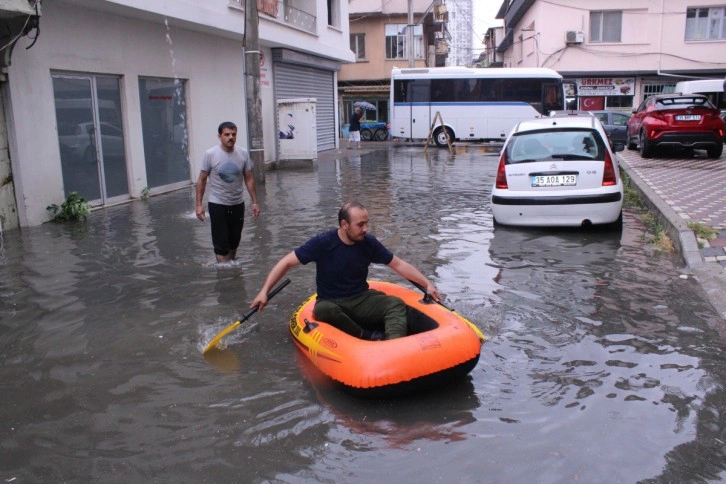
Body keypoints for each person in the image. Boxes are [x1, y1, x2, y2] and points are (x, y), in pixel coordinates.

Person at [250, 201, 442, 340]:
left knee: (395, 304)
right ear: (344, 225)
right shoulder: (323, 243)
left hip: (360, 298)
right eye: (360, 224)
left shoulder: (368, 243)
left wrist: (427, 284)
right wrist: (263, 292)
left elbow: (398, 264)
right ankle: (366, 336)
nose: (366, 229)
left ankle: (395, 344)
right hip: (332, 301)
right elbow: (286, 263)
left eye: (367, 223)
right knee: (324, 310)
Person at [196, 121, 260, 263]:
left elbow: (249, 178)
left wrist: (255, 202)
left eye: (233, 134)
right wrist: (199, 204)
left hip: (237, 203)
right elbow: (201, 179)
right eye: (227, 134)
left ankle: (232, 275)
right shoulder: (210, 154)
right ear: (220, 136)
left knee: (234, 242)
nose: (230, 137)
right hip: (217, 203)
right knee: (221, 245)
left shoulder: (243, 154)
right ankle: (224, 275)